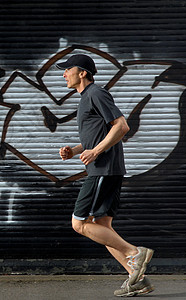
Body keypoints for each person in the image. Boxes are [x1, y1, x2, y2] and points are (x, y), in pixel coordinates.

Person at [56, 54, 154, 297]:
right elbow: (97, 136)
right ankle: (137, 279)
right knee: (102, 226)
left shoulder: (96, 93)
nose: (64, 74)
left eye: (68, 69)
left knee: (79, 224)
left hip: (103, 169)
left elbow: (121, 126)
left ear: (83, 73)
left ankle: (134, 253)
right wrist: (75, 150)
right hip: (105, 168)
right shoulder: (85, 98)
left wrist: (96, 151)